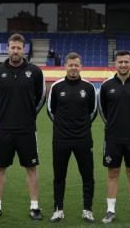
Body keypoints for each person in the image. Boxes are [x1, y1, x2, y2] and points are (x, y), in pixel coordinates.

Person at [0, 33, 46, 221]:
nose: (15, 51)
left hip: (27, 129)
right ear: (7, 48)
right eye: (12, 47)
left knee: (31, 168)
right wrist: (3, 115)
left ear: (24, 49)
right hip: (4, 129)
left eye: (19, 48)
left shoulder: (35, 71)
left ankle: (34, 206)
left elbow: (41, 97)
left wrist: (30, 115)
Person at [98, 50, 130, 224]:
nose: (123, 65)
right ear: (115, 64)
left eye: (126, 62)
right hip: (112, 137)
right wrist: (113, 125)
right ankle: (110, 210)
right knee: (113, 172)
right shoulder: (106, 86)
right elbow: (102, 111)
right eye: (120, 62)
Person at [47, 52, 97, 223]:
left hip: (83, 138)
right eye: (71, 65)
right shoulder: (57, 87)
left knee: (87, 175)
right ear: (65, 66)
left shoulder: (89, 87)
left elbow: (93, 111)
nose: (73, 68)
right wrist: (63, 127)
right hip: (61, 139)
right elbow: (51, 110)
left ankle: (87, 210)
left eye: (76, 65)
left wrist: (80, 126)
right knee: (59, 176)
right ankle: (58, 209)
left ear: (81, 67)